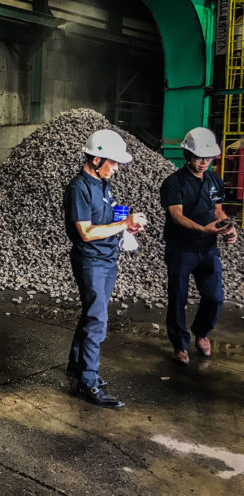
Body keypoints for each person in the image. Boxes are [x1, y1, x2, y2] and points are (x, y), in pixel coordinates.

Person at [63, 129, 147, 409]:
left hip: (107, 258)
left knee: (91, 314)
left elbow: (104, 220)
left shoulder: (103, 184)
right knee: (97, 320)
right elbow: (85, 232)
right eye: (113, 161)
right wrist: (123, 224)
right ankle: (88, 383)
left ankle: (77, 367)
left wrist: (126, 224)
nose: (117, 167)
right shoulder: (79, 188)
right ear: (97, 159)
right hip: (91, 261)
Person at [160, 127, 238, 365]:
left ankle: (202, 332)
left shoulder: (214, 180)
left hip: (207, 249)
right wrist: (203, 229)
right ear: (187, 155)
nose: (204, 162)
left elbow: (217, 209)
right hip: (181, 249)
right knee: (178, 298)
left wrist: (227, 227)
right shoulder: (174, 183)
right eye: (198, 158)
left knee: (215, 297)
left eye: (208, 158)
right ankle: (179, 344)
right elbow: (177, 216)